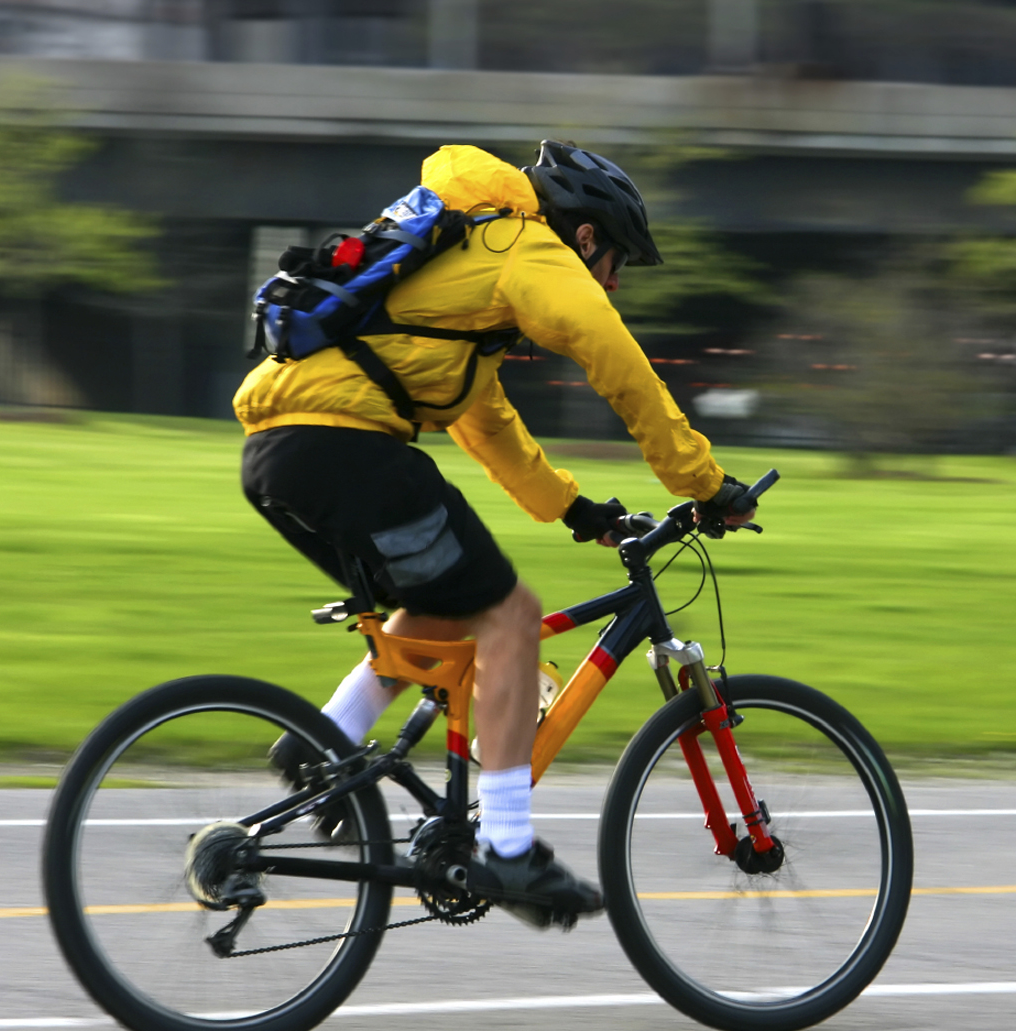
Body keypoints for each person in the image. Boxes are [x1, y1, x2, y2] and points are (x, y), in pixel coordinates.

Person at [233, 140, 754, 926]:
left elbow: (484, 419)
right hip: (345, 444)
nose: (613, 283)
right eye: (615, 262)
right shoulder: (528, 246)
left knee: (443, 606)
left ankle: (321, 744)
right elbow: (618, 363)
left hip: (283, 452)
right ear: (586, 237)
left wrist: (575, 509)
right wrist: (706, 484)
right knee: (509, 615)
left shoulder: (472, 254)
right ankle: (508, 851)